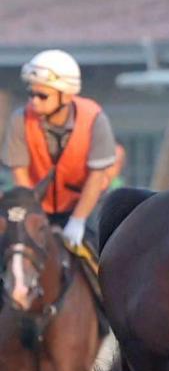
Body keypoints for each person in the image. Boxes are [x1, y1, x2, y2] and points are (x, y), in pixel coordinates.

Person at [2, 50, 117, 250]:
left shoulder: (95, 119)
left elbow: (96, 177)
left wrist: (78, 220)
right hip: (35, 207)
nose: (34, 101)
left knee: (107, 252)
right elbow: (20, 175)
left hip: (85, 208)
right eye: (31, 94)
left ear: (66, 95)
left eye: (42, 95)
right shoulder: (20, 120)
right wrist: (34, 215)